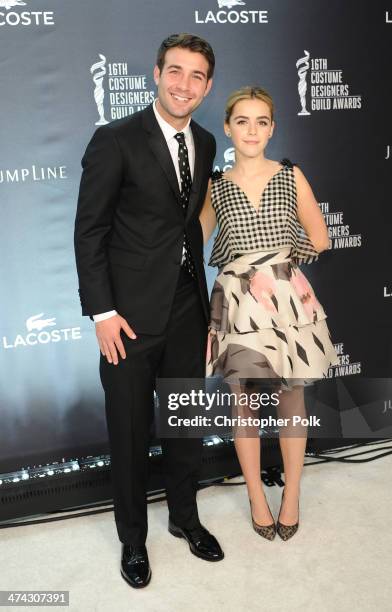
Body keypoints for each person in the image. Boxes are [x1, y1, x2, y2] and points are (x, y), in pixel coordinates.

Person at [74, 33, 224, 590]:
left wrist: (207, 312)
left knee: (184, 422)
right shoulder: (114, 140)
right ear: (156, 74)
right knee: (131, 431)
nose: (184, 85)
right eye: (176, 72)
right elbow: (89, 231)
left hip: (187, 307)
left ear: (207, 88)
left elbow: (188, 230)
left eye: (197, 77)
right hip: (128, 317)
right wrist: (102, 313)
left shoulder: (205, 142)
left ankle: (186, 519)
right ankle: (132, 541)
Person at [200, 86, 339, 542]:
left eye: (262, 121)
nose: (252, 130)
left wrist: (277, 266)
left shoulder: (289, 174)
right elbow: (192, 240)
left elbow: (320, 238)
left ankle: (292, 494)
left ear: (273, 128)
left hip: (283, 300)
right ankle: (257, 497)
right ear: (228, 127)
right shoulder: (215, 186)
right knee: (244, 404)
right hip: (238, 302)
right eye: (242, 121)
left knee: (291, 400)